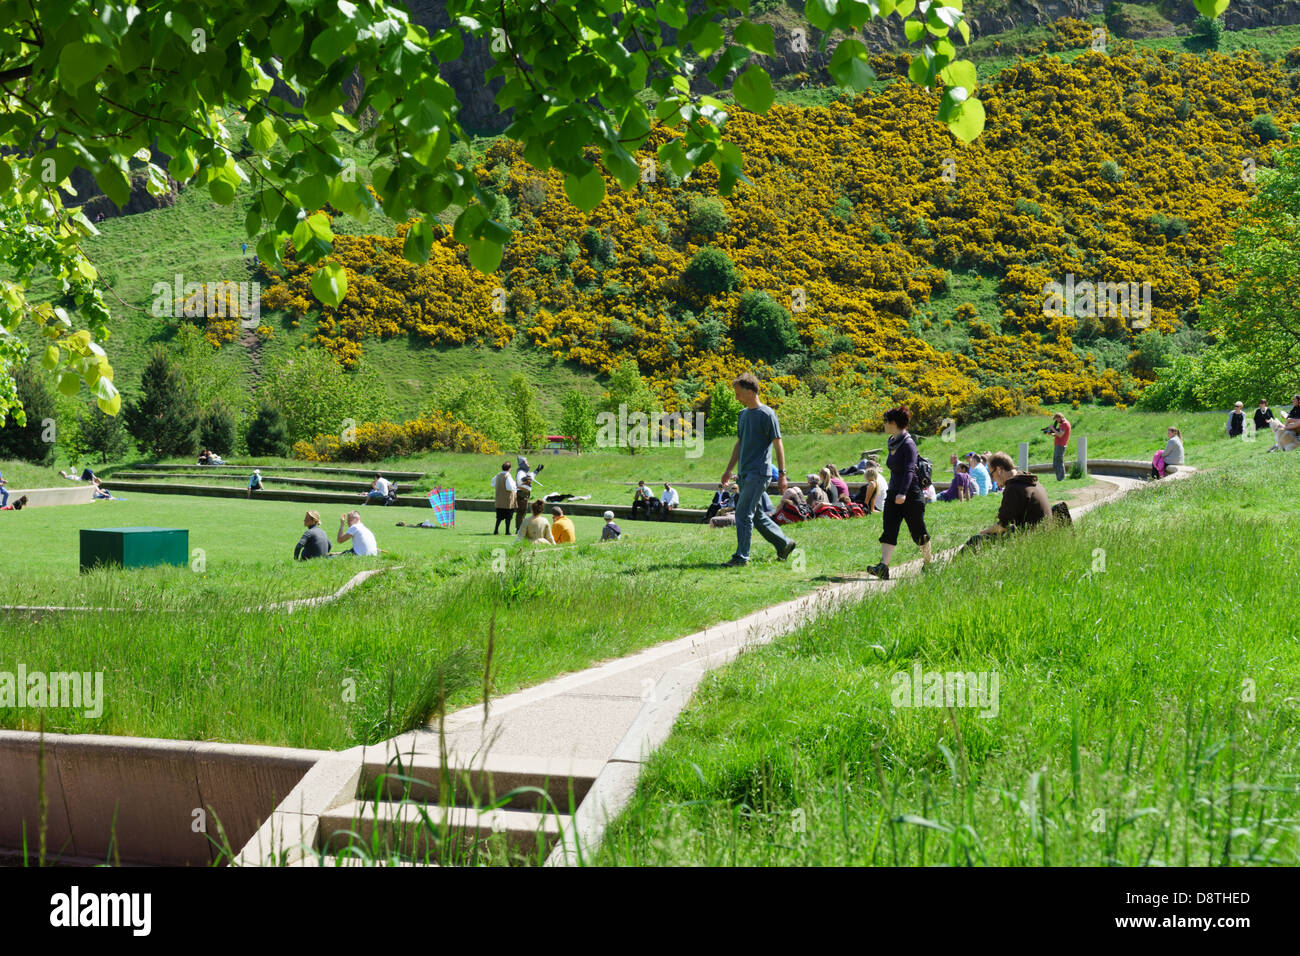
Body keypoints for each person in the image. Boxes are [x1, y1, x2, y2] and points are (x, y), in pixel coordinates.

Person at [719, 371, 799, 567]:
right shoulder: (743, 415)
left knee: (743, 512)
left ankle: (741, 557)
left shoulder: (767, 414)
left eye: (738, 393)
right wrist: (729, 470)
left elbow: (778, 444)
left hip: (759, 472)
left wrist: (782, 474)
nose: (736, 397)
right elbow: (740, 443)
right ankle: (784, 543)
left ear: (749, 391)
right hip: (744, 473)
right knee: (755, 514)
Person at [866, 405, 931, 580]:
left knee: (918, 532)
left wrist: (902, 493)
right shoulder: (892, 441)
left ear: (893, 423)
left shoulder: (909, 443)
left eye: (885, 421)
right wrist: (895, 494)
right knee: (889, 529)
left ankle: (928, 563)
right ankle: (883, 567)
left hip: (910, 494)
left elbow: (910, 470)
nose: (884, 424)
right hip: (893, 493)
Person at [960, 452, 1052, 554]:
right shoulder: (1030, 481)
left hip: (1032, 540)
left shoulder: (1013, 487)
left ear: (999, 470)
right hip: (1044, 534)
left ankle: (955, 567)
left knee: (975, 540)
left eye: (992, 474)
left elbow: (1003, 525)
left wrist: (983, 532)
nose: (993, 479)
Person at [491, 462, 517, 534]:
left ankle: (496, 530)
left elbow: (492, 483)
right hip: (507, 500)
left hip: (499, 499)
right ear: (509, 469)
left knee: (499, 517)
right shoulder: (507, 476)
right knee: (508, 517)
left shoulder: (498, 475)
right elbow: (509, 487)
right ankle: (507, 531)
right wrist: (515, 486)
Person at [1046, 413, 1070, 481]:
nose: (1057, 421)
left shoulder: (1064, 424)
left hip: (1060, 445)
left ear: (1060, 417)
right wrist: (1051, 434)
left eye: (1057, 419)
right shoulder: (1064, 423)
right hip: (1059, 444)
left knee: (1058, 462)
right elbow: (1058, 434)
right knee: (1056, 463)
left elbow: (1060, 435)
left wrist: (1052, 428)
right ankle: (1060, 478)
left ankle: (1061, 479)